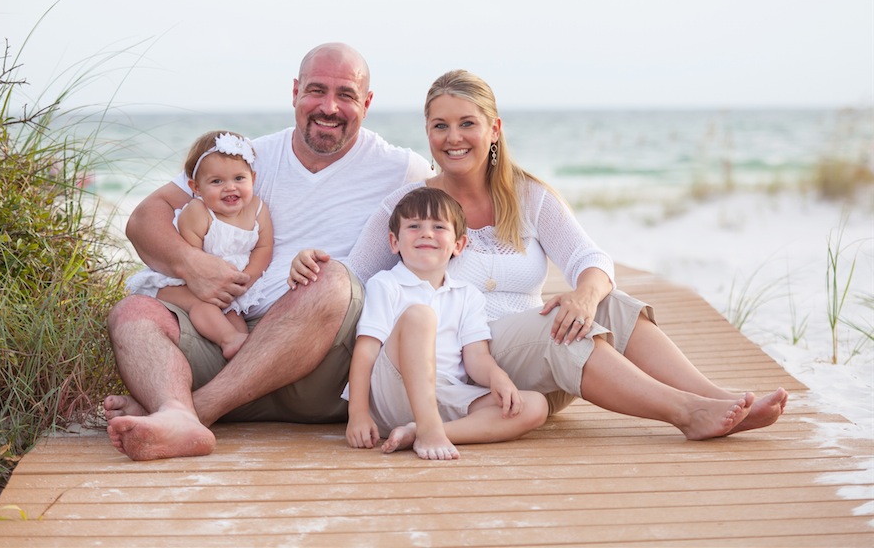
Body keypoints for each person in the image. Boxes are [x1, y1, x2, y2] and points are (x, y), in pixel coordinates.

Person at [293, 69, 788, 441]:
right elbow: (354, 279)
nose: (453, 137)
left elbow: (591, 258)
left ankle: (715, 396)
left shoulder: (527, 195)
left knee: (609, 302)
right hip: (458, 367)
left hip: (525, 368)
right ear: (428, 132)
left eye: (467, 123)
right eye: (440, 125)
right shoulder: (411, 206)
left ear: (494, 129)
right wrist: (307, 268)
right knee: (554, 327)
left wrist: (585, 295)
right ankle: (686, 413)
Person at [104, 43, 432, 460]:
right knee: (133, 312)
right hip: (228, 338)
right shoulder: (249, 159)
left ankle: (194, 412)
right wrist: (193, 264)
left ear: (366, 103)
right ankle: (174, 411)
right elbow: (144, 218)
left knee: (331, 279)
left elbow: (464, 217)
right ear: (295, 91)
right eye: (316, 90)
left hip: (322, 370)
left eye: (346, 95)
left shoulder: (403, 169)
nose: (329, 106)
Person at [344, 187, 548, 460]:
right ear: (394, 242)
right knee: (420, 315)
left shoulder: (467, 295)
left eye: (438, 226)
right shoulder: (386, 284)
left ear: (459, 245)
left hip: (446, 394)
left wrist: (499, 377)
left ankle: (423, 431)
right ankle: (430, 430)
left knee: (534, 406)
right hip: (393, 392)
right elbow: (366, 352)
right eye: (414, 226)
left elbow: (476, 357)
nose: (426, 233)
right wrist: (357, 415)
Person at [125, 131, 272, 359]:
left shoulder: (258, 210)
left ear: (252, 178)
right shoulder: (198, 212)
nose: (230, 187)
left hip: (229, 285)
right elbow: (192, 261)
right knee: (206, 307)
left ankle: (239, 353)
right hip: (187, 285)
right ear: (196, 187)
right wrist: (212, 285)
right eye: (217, 181)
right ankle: (228, 340)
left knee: (235, 316)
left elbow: (264, 248)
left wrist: (247, 279)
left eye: (239, 178)